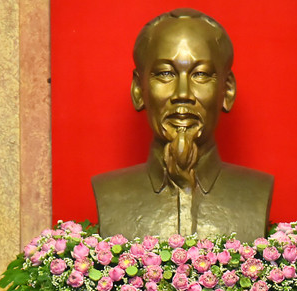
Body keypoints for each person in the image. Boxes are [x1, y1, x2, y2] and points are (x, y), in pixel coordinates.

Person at [91, 8, 273, 242]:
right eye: (166, 74)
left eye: (201, 75)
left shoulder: (256, 191)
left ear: (227, 90)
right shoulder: (110, 193)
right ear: (138, 90)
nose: (183, 94)